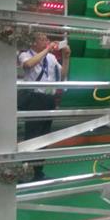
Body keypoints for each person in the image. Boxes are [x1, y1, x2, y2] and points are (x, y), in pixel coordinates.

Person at [18, 32, 71, 180]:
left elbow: (62, 75)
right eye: (42, 39)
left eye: (46, 39)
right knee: (32, 136)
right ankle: (26, 171)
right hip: (34, 99)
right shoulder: (25, 55)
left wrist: (66, 57)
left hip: (49, 99)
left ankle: (38, 171)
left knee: (45, 136)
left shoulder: (51, 58)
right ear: (33, 43)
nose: (46, 41)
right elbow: (28, 64)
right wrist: (47, 49)